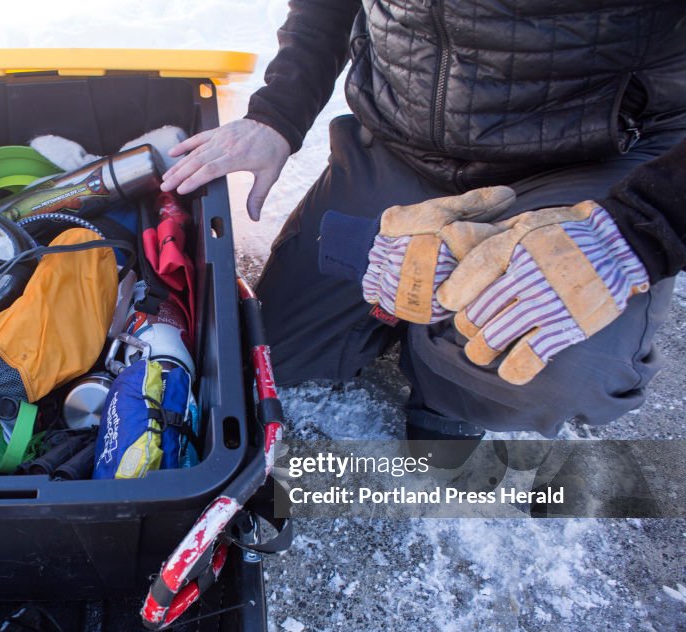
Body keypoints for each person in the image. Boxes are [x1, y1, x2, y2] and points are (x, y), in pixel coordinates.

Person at [160, 0, 686, 446]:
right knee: (270, 354)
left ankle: (452, 392)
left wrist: (640, 227)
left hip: (584, 163)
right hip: (401, 146)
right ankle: (421, 314)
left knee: (552, 362)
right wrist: (277, 114)